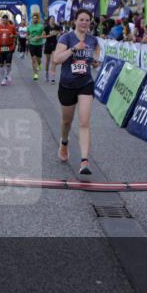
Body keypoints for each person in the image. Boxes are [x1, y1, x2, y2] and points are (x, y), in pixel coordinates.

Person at [53, 9, 102, 176]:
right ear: (75, 21)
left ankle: (84, 161)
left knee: (84, 122)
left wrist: (95, 63)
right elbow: (56, 59)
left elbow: (95, 60)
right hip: (67, 84)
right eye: (81, 19)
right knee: (67, 121)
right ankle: (64, 142)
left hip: (85, 84)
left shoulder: (93, 40)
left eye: (87, 20)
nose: (84, 23)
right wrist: (74, 49)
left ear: (90, 23)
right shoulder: (66, 38)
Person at [0, 14, 18, 85]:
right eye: (3, 18)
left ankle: (5, 77)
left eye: (6, 18)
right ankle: (4, 77)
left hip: (9, 47)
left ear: (7, 19)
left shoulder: (12, 27)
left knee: (8, 64)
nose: (5, 20)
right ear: (2, 20)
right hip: (0, 47)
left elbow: (16, 35)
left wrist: (13, 36)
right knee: (1, 65)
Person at [26, 12, 45, 80]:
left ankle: (39, 64)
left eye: (36, 18)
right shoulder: (29, 27)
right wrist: (28, 37)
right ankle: (35, 74)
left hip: (39, 44)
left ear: (38, 19)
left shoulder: (41, 26)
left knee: (38, 59)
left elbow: (44, 34)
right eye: (33, 18)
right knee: (33, 60)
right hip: (32, 44)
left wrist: (39, 37)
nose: (35, 19)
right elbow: (27, 35)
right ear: (32, 19)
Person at [43, 15, 60, 83]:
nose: (52, 20)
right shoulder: (46, 28)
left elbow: (59, 33)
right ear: (49, 20)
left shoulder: (57, 27)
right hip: (48, 44)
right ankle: (47, 74)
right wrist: (50, 35)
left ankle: (53, 77)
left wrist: (58, 34)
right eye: (51, 19)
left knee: (54, 60)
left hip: (54, 44)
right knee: (48, 61)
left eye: (53, 19)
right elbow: (43, 36)